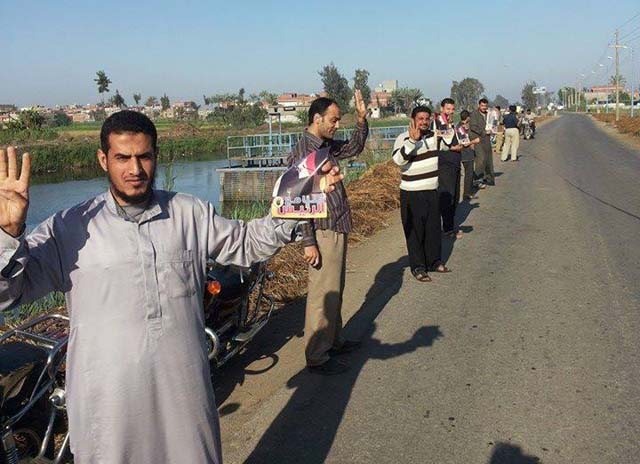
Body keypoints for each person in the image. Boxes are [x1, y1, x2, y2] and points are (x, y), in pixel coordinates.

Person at [0, 111, 343, 464]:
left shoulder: (188, 213)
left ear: (156, 156)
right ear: (103, 159)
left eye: (144, 156)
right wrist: (9, 234)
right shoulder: (68, 228)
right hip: (108, 405)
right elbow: (8, 293)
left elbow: (245, 244)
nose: (135, 169)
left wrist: (298, 202)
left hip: (182, 393)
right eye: (122, 158)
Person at [287, 90, 368, 376]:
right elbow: (298, 201)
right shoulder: (304, 153)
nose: (336, 125)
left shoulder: (326, 146)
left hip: (336, 224)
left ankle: (333, 340)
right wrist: (308, 242)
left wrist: (361, 119)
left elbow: (354, 148)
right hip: (322, 231)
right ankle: (317, 355)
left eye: (338, 120)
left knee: (335, 289)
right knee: (322, 293)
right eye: (333, 120)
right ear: (317, 118)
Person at [392, 106, 451, 283]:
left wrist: (447, 126)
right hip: (411, 192)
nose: (424, 122)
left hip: (431, 190)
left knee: (433, 229)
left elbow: (450, 143)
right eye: (420, 119)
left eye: (427, 119)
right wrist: (412, 141)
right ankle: (418, 267)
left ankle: (434, 261)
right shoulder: (403, 138)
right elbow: (398, 160)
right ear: (413, 120)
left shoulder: (434, 136)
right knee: (414, 232)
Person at [434, 98, 464, 239]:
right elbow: (445, 142)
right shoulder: (439, 122)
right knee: (447, 196)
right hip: (445, 164)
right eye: (448, 109)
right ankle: (447, 228)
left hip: (455, 163)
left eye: (452, 109)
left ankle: (449, 225)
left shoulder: (452, 124)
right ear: (442, 109)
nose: (450, 112)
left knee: (455, 196)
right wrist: (452, 147)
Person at [469, 98, 495, 186]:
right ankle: (476, 178)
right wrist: (484, 132)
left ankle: (488, 177)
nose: (484, 107)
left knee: (488, 159)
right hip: (478, 139)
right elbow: (473, 127)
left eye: (485, 106)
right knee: (481, 159)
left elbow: (493, 124)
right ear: (479, 105)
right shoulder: (474, 114)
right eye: (482, 105)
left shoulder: (488, 114)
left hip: (487, 139)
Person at [457, 110, 480, 200]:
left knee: (469, 173)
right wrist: (474, 141)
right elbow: (465, 143)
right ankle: (467, 193)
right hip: (466, 154)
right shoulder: (460, 128)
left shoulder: (462, 126)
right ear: (467, 118)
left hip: (468, 153)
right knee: (468, 174)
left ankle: (469, 189)